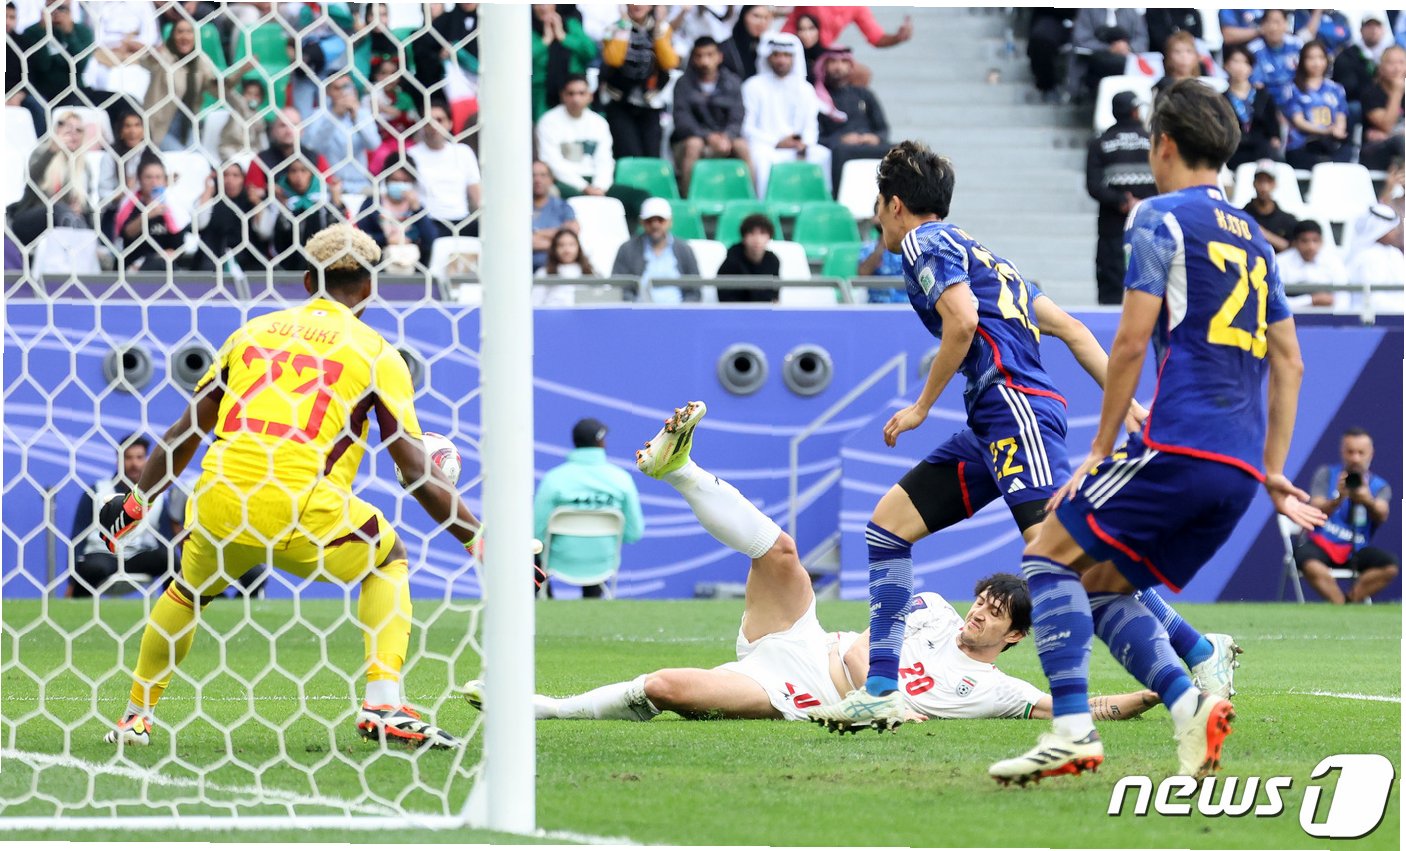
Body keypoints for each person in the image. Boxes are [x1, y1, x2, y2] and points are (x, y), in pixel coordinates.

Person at [804, 139, 1239, 739]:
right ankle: (881, 691)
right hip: (995, 422)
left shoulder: (926, 243)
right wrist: (1132, 406)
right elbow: (1072, 328)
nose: (877, 220)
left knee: (1067, 562)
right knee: (887, 527)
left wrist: (921, 406)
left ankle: (1196, 651)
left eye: (878, 208)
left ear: (895, 204)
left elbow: (962, 323)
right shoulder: (986, 258)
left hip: (1015, 412)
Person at [983, 80, 1321, 784]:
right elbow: (1290, 361)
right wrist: (1272, 468)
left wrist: (1099, 450)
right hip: (1237, 473)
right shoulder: (1257, 239)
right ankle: (1188, 705)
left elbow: (1132, 342)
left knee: (1045, 555)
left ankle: (1072, 732)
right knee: (1101, 583)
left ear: (1162, 145)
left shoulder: (1158, 217)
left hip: (1178, 446)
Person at [465, 402, 1159, 724]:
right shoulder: (935, 611)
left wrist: (1156, 692)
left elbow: (1080, 706)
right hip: (808, 640)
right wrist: (884, 696)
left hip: (796, 688)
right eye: (983, 600)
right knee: (782, 552)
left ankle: (542, 710)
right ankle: (680, 469)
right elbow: (861, 650)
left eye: (996, 613)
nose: (980, 612)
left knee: (669, 687)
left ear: (1014, 637)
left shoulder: (996, 692)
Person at [99, 224, 494, 749]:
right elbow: (416, 472)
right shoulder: (377, 354)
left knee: (187, 592)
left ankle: (135, 718)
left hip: (220, 501)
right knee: (388, 558)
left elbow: (183, 433)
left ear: (308, 281)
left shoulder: (250, 333)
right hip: (301, 509)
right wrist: (480, 542)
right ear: (370, 288)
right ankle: (382, 703)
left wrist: (136, 503)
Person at [91, 14, 252, 152]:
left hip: (188, 127)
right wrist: (150, 52)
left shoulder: (200, 61)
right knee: (183, 158)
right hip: (160, 129)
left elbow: (217, 88)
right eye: (180, 31)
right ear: (173, 36)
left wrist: (240, 72)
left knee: (198, 160)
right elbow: (149, 60)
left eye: (189, 31)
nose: (185, 36)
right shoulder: (165, 57)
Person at [532, 417, 645, 598]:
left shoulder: (554, 479)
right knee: (595, 549)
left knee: (531, 554)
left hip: (559, 560)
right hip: (603, 562)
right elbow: (634, 533)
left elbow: (536, 533)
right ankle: (593, 602)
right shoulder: (622, 479)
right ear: (601, 442)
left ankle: (546, 603)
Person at [1296, 428, 1399, 604]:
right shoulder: (1326, 474)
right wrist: (1338, 498)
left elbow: (1382, 514)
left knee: (1390, 566)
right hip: (1322, 544)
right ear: (1342, 452)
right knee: (1306, 560)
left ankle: (1350, 601)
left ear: (1371, 454)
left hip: (1357, 548)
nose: (1355, 458)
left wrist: (1367, 500)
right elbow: (1315, 508)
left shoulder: (1379, 486)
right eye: (1350, 452)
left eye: (1361, 453)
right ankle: (1340, 604)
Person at [69, 435, 172, 597]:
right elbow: (78, 536)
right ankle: (76, 606)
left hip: (139, 557)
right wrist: (71, 582)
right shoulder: (97, 491)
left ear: (147, 460)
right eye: (128, 458)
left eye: (139, 457)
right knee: (91, 568)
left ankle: (178, 605)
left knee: (169, 559)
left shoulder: (157, 496)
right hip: (103, 555)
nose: (134, 463)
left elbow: (165, 539)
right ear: (118, 460)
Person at [536, 74, 647, 219]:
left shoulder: (599, 123)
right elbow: (552, 162)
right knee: (554, 195)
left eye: (581, 93)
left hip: (597, 182)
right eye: (571, 93)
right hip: (565, 183)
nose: (576, 99)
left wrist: (600, 187)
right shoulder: (549, 122)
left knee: (641, 198)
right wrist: (584, 187)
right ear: (563, 96)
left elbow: (605, 160)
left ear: (590, 96)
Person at [1086, 91, 1157, 305]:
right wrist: (1143, 204)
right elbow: (1166, 179)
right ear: (1135, 112)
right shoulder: (1153, 142)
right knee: (1152, 284)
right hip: (1150, 223)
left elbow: (1094, 186)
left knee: (1112, 290)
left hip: (1113, 227)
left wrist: (1122, 201)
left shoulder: (1100, 143)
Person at [741, 32, 831, 196]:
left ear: (794, 58)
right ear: (768, 57)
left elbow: (811, 126)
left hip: (797, 147)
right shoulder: (753, 86)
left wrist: (804, 144)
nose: (781, 60)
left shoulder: (805, 89)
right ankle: (765, 205)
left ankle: (818, 204)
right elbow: (747, 128)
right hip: (766, 146)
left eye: (786, 55)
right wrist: (777, 142)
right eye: (776, 55)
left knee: (821, 154)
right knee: (761, 158)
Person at [671, 36, 750, 197]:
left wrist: (727, 136)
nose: (704, 61)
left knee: (742, 146)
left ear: (719, 57)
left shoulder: (732, 82)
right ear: (693, 58)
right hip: (692, 139)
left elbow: (737, 116)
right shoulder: (683, 83)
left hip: (724, 139)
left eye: (709, 55)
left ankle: (749, 199)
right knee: (694, 144)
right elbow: (682, 120)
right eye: (699, 56)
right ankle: (688, 199)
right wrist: (708, 136)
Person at [598, 5, 679, 160]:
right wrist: (624, 27)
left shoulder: (662, 29)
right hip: (620, 101)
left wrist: (658, 29)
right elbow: (613, 59)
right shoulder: (612, 28)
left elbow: (670, 62)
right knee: (629, 153)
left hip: (649, 102)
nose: (637, 4)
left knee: (652, 154)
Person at [6, 108, 92, 248]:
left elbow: (88, 201)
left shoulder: (84, 166)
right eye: (69, 129)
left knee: (78, 215)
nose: (74, 134)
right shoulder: (41, 153)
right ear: (58, 130)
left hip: (64, 223)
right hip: (31, 219)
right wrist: (51, 151)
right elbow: (31, 181)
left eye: (79, 130)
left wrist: (80, 208)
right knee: (57, 209)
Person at [816, 46, 891, 192]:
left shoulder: (864, 94)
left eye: (843, 62)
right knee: (840, 152)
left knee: (899, 152)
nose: (838, 67)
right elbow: (816, 137)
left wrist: (875, 138)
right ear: (824, 66)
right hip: (839, 148)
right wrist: (840, 140)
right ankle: (837, 199)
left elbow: (883, 128)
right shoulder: (818, 98)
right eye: (833, 62)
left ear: (850, 67)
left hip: (868, 144)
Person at [408, 100, 481, 238]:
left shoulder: (463, 152)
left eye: (439, 120)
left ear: (449, 123)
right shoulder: (412, 155)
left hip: (461, 220)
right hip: (429, 222)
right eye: (428, 121)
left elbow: (476, 193)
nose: (434, 125)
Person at [257, 156, 343, 272]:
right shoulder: (277, 201)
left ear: (312, 174)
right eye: (293, 171)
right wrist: (279, 206)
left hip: (322, 269)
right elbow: (264, 232)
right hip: (286, 269)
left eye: (304, 170)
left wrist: (336, 200)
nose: (299, 176)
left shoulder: (324, 200)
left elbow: (338, 233)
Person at [610, 196, 701, 303]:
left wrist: (684, 309)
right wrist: (634, 307)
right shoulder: (627, 250)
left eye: (660, 220)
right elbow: (619, 288)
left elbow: (695, 290)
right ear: (641, 222)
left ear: (670, 221)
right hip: (639, 311)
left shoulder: (684, 250)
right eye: (649, 221)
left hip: (678, 311)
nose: (655, 225)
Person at [304, 73, 380, 195]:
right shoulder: (318, 115)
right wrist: (334, 117)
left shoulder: (363, 113)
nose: (342, 92)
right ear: (328, 92)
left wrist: (356, 117)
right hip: (329, 186)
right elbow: (314, 148)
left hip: (360, 184)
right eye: (337, 88)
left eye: (346, 87)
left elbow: (374, 145)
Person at [356, 158, 436, 274]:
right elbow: (360, 237)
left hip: (414, 267)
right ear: (386, 180)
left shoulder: (417, 207)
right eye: (395, 180)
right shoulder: (372, 204)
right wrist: (386, 240)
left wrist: (417, 209)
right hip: (378, 266)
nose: (400, 185)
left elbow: (430, 238)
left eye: (405, 181)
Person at [110, 156, 189, 272]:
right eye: (148, 177)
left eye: (158, 177)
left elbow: (179, 245)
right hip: (133, 266)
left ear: (165, 180)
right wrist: (147, 215)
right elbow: (126, 234)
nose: (154, 182)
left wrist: (166, 255)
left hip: (163, 266)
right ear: (140, 180)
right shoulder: (130, 204)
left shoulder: (172, 206)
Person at [1282, 41, 1351, 169]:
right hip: (1301, 145)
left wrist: (1338, 130)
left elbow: (1341, 116)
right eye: (1311, 58)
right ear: (1302, 61)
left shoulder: (1336, 89)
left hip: (1331, 144)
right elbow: (1298, 121)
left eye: (1320, 58)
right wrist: (1326, 131)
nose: (1316, 63)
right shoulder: (1292, 88)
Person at [246, 107, 332, 206]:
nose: (288, 131)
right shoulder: (260, 161)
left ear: (302, 130)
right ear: (273, 130)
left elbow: (330, 191)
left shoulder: (316, 159)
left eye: (294, 125)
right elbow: (252, 196)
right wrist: (267, 193)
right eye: (283, 125)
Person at [191, 161, 264, 272]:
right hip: (212, 260)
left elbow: (264, 232)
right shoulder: (211, 199)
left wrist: (257, 203)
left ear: (243, 179)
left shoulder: (250, 202)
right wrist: (208, 192)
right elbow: (200, 224)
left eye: (235, 175)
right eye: (225, 175)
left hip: (247, 261)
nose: (230, 180)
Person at [530, 3, 598, 122]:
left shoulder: (570, 24)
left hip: (573, 91)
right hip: (541, 94)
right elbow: (521, 60)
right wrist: (545, 41)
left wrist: (564, 37)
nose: (543, 7)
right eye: (537, 4)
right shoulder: (527, 28)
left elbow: (590, 52)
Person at [1222, 45, 1283, 169]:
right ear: (1226, 65)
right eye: (1235, 61)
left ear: (1251, 68)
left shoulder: (1263, 96)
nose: (1240, 67)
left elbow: (1273, 129)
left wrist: (1275, 140)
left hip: (1262, 150)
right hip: (1234, 150)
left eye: (1245, 62)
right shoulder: (1221, 99)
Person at [1071, 9, 1149, 98]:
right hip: (1094, 62)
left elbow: (1142, 40)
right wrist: (1109, 48)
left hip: (1125, 62)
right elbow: (1081, 40)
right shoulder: (1088, 10)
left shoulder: (1132, 11)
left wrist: (1128, 48)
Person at [1344, 201, 1405, 314]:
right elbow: (1373, 298)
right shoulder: (1367, 256)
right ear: (1379, 229)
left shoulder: (1394, 253)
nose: (1396, 233)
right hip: (1374, 315)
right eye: (1391, 229)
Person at [1277, 220, 1346, 308]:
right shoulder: (1280, 262)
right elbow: (1277, 302)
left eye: (1315, 240)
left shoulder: (1333, 263)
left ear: (1322, 242)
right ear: (1295, 242)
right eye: (1304, 241)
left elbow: (1343, 300)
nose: (1310, 247)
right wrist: (1311, 300)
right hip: (1290, 316)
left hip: (1327, 316)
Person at [716, 212, 780, 302]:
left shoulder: (773, 261)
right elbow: (725, 296)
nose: (757, 239)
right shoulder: (731, 261)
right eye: (751, 233)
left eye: (762, 233)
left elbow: (774, 295)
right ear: (744, 237)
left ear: (769, 236)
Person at [1359, 45, 1405, 171]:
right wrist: (1397, 92)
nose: (1397, 68)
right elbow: (1386, 125)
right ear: (1381, 67)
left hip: (1399, 147)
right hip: (1375, 149)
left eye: (1401, 63)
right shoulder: (1371, 93)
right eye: (1391, 63)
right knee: (1400, 141)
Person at [1248, 9, 1304, 106]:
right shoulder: (1253, 50)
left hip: (1297, 99)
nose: (1274, 28)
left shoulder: (1297, 45)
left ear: (1286, 24)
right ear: (1262, 26)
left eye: (1277, 22)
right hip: (1267, 102)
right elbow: (1256, 84)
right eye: (1269, 22)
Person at [531, 159, 579, 272]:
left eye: (543, 175)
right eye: (533, 175)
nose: (538, 179)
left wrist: (536, 233)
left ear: (551, 180)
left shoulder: (563, 207)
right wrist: (555, 241)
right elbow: (517, 242)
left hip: (556, 272)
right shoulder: (518, 208)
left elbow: (571, 235)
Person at [1241, 162, 1299, 253]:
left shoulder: (1288, 221)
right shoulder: (1240, 216)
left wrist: (1260, 232)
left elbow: (1295, 250)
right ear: (1254, 183)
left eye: (1268, 181)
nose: (1264, 187)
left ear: (1274, 184)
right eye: (1260, 181)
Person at [534, 228, 595, 306]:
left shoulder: (590, 272)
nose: (567, 250)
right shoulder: (543, 273)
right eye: (561, 245)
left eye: (571, 244)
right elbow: (535, 303)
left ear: (578, 247)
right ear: (554, 249)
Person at [719, 4, 770, 82]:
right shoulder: (726, 48)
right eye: (756, 16)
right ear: (744, 16)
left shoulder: (768, 47)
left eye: (766, 18)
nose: (762, 22)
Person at [1152, 31, 1204, 101]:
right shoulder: (1163, 87)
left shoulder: (1202, 87)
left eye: (1189, 51)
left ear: (1196, 57)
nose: (1184, 56)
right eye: (1177, 52)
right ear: (1168, 57)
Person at [793, 13, 825, 83]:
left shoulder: (826, 57)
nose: (807, 34)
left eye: (811, 28)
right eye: (802, 29)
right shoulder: (792, 56)